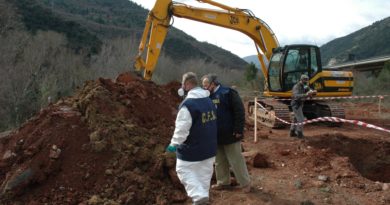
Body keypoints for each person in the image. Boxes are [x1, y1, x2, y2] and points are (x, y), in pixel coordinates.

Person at [166, 72, 217, 205]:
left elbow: (181, 129)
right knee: (203, 178)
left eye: (183, 84)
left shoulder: (188, 105)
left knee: (183, 170)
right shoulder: (209, 101)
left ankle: (199, 197)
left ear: (187, 84)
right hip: (209, 149)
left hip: (192, 150)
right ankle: (201, 200)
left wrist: (173, 144)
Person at [201, 74, 251, 193]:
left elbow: (239, 111)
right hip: (215, 135)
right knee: (219, 160)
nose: (204, 88)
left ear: (213, 84)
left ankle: (245, 183)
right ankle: (223, 182)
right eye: (203, 86)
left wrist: (238, 130)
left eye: (206, 85)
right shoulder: (207, 97)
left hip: (231, 134)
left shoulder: (228, 93)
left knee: (236, 159)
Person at [290, 74, 317, 138]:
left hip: (300, 103)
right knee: (301, 119)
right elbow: (296, 96)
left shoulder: (304, 86)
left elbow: (310, 90)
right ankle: (299, 133)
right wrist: (306, 95)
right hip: (296, 104)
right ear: (301, 80)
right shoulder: (296, 87)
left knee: (296, 118)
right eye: (305, 80)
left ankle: (292, 132)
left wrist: (313, 92)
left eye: (307, 81)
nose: (306, 82)